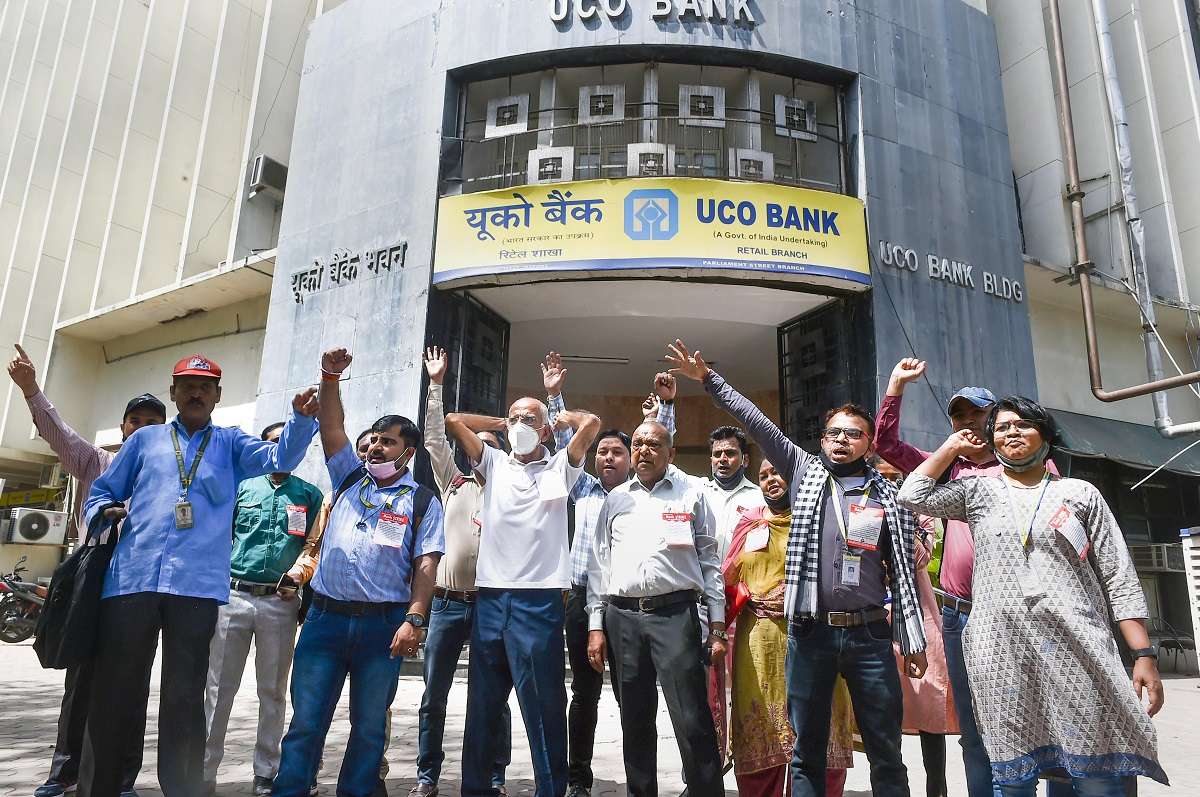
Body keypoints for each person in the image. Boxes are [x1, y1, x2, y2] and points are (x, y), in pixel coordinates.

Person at [667, 339, 927, 797]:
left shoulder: (889, 495)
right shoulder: (805, 473)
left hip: (869, 635)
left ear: (869, 444)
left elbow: (903, 572)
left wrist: (911, 639)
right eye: (833, 433)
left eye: (852, 434)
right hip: (811, 634)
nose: (841, 440)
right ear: (822, 440)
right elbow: (755, 420)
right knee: (805, 750)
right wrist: (708, 378)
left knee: (886, 751)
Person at [897, 397, 1167, 796]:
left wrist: (1143, 654)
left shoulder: (1080, 494)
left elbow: (1118, 575)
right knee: (1013, 772)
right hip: (1000, 654)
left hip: (1077, 650)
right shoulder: (976, 492)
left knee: (1096, 768)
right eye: (1002, 427)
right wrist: (953, 446)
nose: (1011, 432)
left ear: (1046, 435)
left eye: (1023, 424)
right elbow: (912, 495)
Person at [78, 354, 320, 797]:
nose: (195, 392)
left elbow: (280, 455)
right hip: (132, 581)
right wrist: (102, 512)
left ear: (217, 396)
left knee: (186, 698)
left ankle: (185, 788)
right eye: (187, 385)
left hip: (196, 589)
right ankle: (103, 788)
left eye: (205, 387)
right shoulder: (145, 441)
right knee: (116, 691)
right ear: (172, 392)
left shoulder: (230, 444)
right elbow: (102, 491)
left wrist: (301, 418)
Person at [875, 358, 1058, 797]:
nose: (968, 422)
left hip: (1020, 614)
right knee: (974, 727)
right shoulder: (948, 470)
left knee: (1033, 718)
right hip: (960, 615)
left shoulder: (1031, 469)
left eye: (978, 414)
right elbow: (886, 445)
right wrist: (896, 385)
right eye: (959, 415)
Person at [273, 348, 444, 797]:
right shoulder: (347, 477)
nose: (373, 447)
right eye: (371, 440)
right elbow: (331, 427)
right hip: (324, 622)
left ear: (406, 453)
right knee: (306, 723)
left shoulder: (423, 500)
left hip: (382, 627)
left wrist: (415, 618)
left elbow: (426, 563)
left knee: (368, 730)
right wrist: (331, 377)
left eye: (386, 441)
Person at [7, 343, 163, 797]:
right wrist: (32, 390)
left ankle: (120, 779)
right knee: (81, 684)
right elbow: (59, 433)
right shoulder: (96, 462)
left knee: (132, 688)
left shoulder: (172, 473)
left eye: (155, 423)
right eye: (137, 421)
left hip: (141, 590)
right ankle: (64, 774)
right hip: (93, 585)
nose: (143, 429)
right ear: (123, 426)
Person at [444, 388, 599, 797]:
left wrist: (562, 419)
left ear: (545, 430)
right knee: (482, 708)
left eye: (529, 420)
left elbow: (592, 424)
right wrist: (504, 424)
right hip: (491, 600)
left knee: (544, 708)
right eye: (514, 418)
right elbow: (454, 421)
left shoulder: (560, 468)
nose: (520, 426)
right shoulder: (493, 463)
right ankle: (475, 789)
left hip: (539, 602)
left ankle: (551, 789)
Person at [541, 351, 676, 797]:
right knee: (583, 695)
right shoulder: (581, 487)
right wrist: (555, 396)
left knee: (633, 699)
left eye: (618, 451)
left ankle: (642, 783)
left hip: (630, 607)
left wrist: (665, 408)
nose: (608, 457)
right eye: (603, 451)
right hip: (582, 604)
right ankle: (577, 779)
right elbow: (567, 445)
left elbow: (663, 445)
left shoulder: (644, 493)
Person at [585, 420, 726, 797]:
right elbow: (600, 565)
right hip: (622, 619)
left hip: (675, 616)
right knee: (634, 718)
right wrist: (596, 625)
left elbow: (710, 562)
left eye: (654, 444)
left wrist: (716, 625)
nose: (644, 450)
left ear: (671, 453)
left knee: (692, 718)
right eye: (639, 444)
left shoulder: (691, 494)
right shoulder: (616, 499)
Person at [201, 421, 327, 796]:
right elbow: (217, 538)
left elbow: (313, 545)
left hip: (279, 603)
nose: (281, 450)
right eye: (274, 443)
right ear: (263, 447)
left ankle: (266, 771)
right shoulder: (240, 487)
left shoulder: (309, 494)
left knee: (272, 691)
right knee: (218, 688)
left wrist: (297, 576)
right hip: (233, 597)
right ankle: (205, 770)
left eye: (288, 444)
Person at [722, 457, 856, 797]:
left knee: (817, 730)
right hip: (759, 645)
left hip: (816, 638)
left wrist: (805, 594)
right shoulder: (749, 525)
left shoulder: (824, 519)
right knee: (761, 732)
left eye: (776, 472)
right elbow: (725, 579)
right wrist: (749, 594)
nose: (770, 480)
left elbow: (849, 572)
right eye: (763, 475)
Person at [411, 346, 510, 797]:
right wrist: (436, 384)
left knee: (494, 699)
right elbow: (435, 437)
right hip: (448, 604)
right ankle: (427, 774)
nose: (478, 453)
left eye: (487, 449)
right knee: (433, 695)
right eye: (474, 446)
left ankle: (494, 776)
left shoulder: (513, 490)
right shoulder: (454, 481)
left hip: (492, 606)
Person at [873, 457, 957, 797]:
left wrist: (903, 525)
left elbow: (925, 554)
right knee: (882, 704)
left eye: (894, 475)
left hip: (917, 608)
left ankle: (936, 786)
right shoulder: (859, 504)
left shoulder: (918, 508)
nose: (888, 481)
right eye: (882, 474)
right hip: (873, 607)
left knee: (929, 695)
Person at [705, 425, 766, 558]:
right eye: (717, 454)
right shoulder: (700, 494)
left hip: (743, 577)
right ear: (711, 461)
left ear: (745, 460)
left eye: (730, 453)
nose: (722, 459)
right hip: (702, 577)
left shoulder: (760, 499)